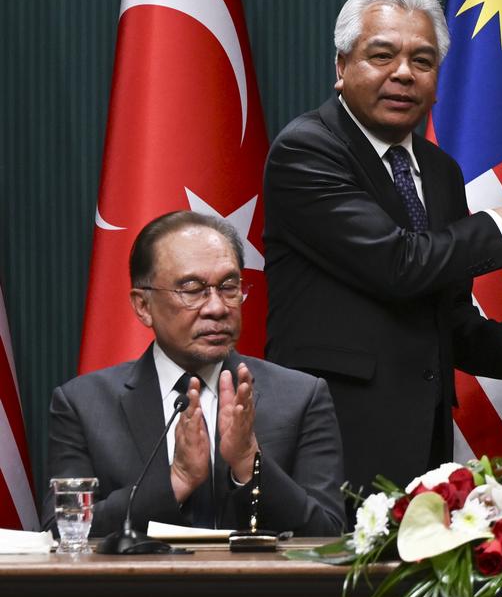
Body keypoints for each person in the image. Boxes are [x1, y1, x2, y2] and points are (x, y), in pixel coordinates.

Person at [263, 0, 502, 496]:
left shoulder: (439, 170)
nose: (403, 73)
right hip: (330, 436)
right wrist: (501, 227)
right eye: (382, 55)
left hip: (422, 443)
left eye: (422, 61)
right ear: (341, 68)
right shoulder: (307, 150)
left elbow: (442, 312)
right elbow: (397, 264)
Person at [44, 212, 345, 536]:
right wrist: (177, 481)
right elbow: (63, 533)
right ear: (143, 305)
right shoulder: (83, 405)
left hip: (259, 588)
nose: (217, 307)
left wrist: (249, 464)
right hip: (137, 587)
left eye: (229, 287)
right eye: (192, 289)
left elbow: (327, 533)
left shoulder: (302, 397)